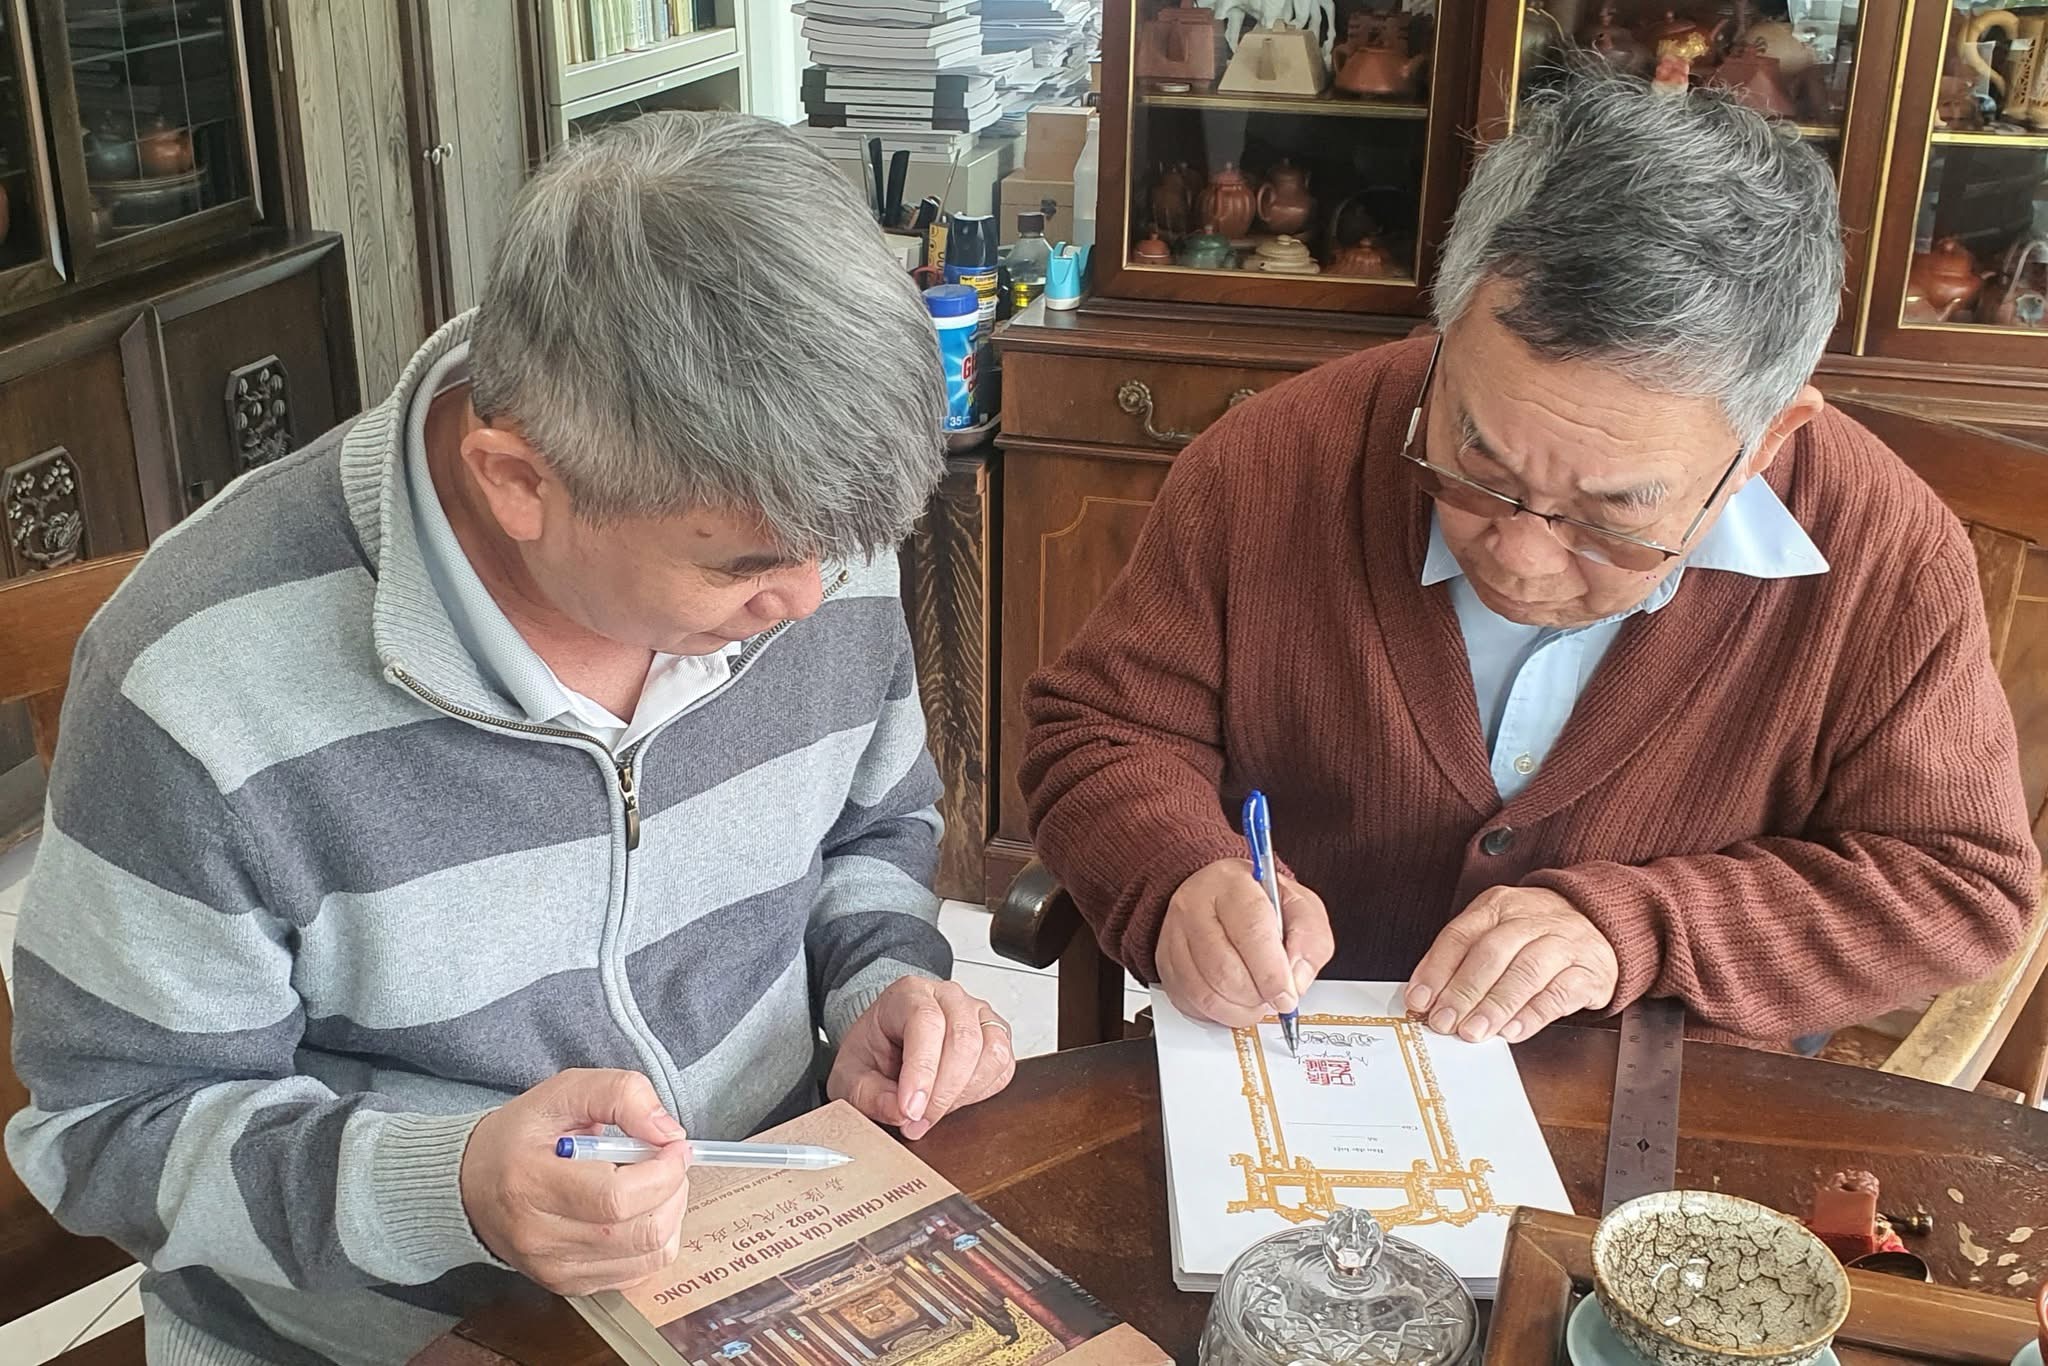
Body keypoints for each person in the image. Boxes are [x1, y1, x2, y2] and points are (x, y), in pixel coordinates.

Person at [5, 112, 1014, 1363]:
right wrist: (455, 1187)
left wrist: (879, 978)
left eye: (842, 550)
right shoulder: (197, 683)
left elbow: (874, 823)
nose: (812, 601)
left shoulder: (800, 531)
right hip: (383, 1338)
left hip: (761, 1260)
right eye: (743, 567)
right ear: (517, 481)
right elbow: (108, 1129)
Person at [1020, 73, 2038, 1053]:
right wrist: (1181, 874)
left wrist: (1632, 931)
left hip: (1658, 1098)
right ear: (1445, 331)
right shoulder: (1270, 462)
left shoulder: (1882, 552)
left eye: (1610, 513)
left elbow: (1957, 885)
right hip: (1302, 1064)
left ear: (1766, 443)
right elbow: (1103, 731)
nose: (1517, 554)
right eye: (1476, 461)